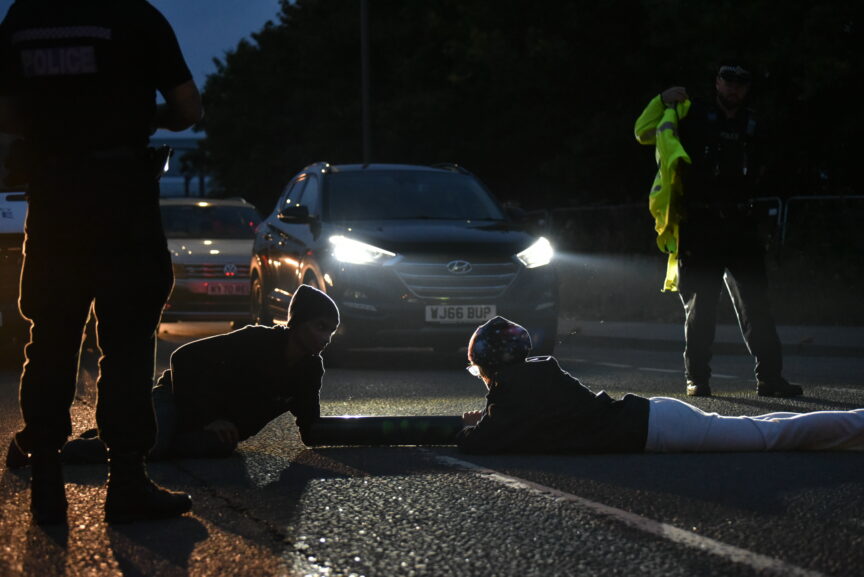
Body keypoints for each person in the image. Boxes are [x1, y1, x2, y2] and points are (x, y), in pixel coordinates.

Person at [0, 0, 203, 524]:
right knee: (128, 344)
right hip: (123, 204)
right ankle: (127, 482)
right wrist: (137, 112)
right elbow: (188, 109)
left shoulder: (24, 18)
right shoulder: (136, 16)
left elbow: (5, 110)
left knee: (50, 338)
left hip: (53, 204)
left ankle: (47, 480)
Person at [7, 284, 340, 464]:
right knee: (151, 448)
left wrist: (376, 434)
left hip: (213, 431)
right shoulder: (257, 339)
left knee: (211, 449)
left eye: (331, 331)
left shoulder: (310, 369)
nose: (325, 337)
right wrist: (209, 415)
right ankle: (39, 453)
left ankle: (117, 431)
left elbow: (310, 427)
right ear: (297, 323)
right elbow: (184, 356)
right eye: (320, 327)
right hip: (176, 398)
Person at [634, 63, 801, 399]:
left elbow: (778, 168)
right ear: (717, 83)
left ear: (747, 89)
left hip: (742, 226)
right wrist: (660, 99)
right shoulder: (691, 115)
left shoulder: (754, 124)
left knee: (757, 305)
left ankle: (770, 378)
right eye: (728, 82)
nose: (733, 89)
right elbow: (643, 130)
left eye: (741, 84)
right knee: (701, 307)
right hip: (700, 225)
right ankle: (698, 379)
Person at [457, 316, 864, 454]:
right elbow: (509, 425)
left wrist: (473, 425)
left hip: (660, 428)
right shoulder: (537, 378)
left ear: (494, 366)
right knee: (770, 428)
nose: (484, 381)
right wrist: (488, 417)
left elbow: (482, 443)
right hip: (656, 417)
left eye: (481, 372)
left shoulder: (515, 393)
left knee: (773, 436)